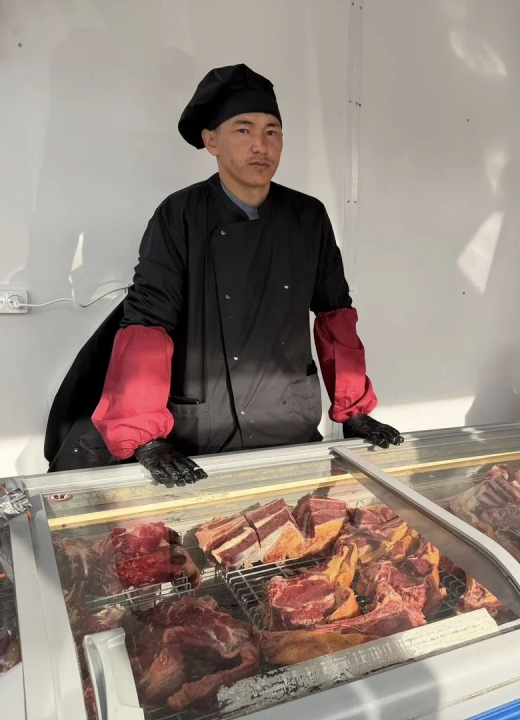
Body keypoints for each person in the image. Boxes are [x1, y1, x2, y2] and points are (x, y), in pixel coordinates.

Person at [45, 64, 401, 485]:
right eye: (243, 130)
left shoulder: (309, 216)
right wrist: (142, 434)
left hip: (288, 418)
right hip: (202, 426)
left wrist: (355, 408)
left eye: (272, 131)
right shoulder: (179, 215)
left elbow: (335, 315)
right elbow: (146, 323)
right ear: (211, 141)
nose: (260, 146)